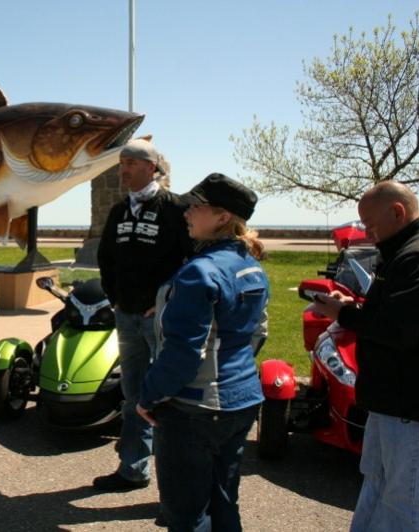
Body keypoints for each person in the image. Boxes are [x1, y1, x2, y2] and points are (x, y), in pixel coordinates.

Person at [137, 173, 269, 531]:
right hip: (241, 400)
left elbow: (182, 354)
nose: (186, 213)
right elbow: (258, 333)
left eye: (196, 207)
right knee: (225, 501)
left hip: (195, 409)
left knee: (186, 514)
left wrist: (147, 397)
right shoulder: (251, 265)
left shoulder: (200, 272)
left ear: (223, 217)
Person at [312, 181, 419, 532]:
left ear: (398, 212)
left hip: (411, 406)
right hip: (388, 401)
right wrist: (356, 307)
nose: (367, 232)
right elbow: (394, 313)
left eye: (371, 223)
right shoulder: (403, 251)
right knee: (378, 485)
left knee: (406, 500)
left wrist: (343, 315)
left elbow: (397, 330)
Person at [94, 138, 193, 491]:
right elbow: (106, 257)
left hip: (161, 318)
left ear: (151, 167)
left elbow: (192, 262)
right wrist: (115, 296)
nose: (123, 169)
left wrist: (167, 300)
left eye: (130, 163)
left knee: (169, 395)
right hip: (127, 315)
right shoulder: (120, 211)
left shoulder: (174, 208)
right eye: (121, 163)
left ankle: (176, 484)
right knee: (134, 393)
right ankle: (132, 469)